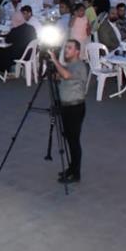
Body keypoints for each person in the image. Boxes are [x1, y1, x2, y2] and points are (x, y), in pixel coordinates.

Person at [49, 39, 89, 184]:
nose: (66, 50)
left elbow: (66, 75)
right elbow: (60, 76)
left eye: (69, 48)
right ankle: (71, 168)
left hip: (75, 107)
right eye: (66, 48)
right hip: (65, 106)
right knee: (68, 138)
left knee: (73, 141)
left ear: (77, 51)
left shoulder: (80, 66)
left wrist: (54, 60)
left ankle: (76, 173)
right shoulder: (69, 65)